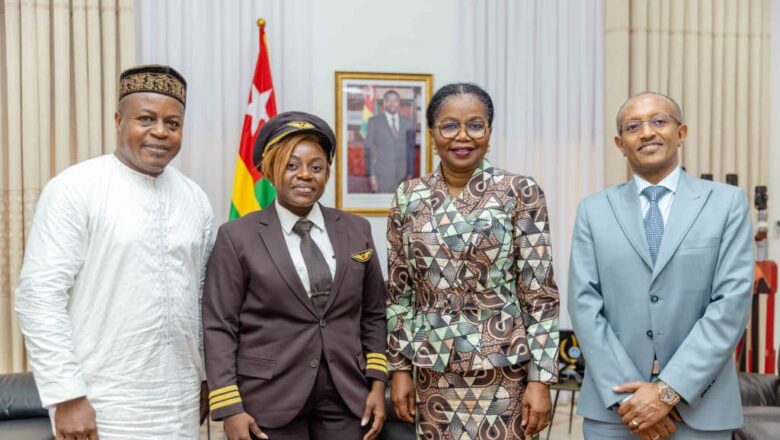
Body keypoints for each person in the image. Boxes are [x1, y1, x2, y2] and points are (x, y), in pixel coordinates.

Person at [14, 65, 214, 439]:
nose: (160, 131)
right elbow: (39, 297)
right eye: (146, 119)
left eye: (172, 123)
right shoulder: (75, 188)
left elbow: (202, 298)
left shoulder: (195, 199)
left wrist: (205, 378)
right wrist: (67, 395)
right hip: (101, 403)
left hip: (180, 404)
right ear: (119, 120)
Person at [568, 92, 754, 440]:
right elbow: (584, 305)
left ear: (681, 133)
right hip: (616, 410)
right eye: (633, 126)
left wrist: (668, 391)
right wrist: (632, 399)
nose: (647, 132)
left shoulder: (727, 203)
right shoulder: (593, 210)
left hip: (702, 410)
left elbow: (731, 304)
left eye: (659, 121)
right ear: (620, 144)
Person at [386, 83, 560, 439]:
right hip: (433, 367)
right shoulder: (409, 196)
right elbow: (399, 292)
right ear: (432, 133)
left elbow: (539, 293)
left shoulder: (520, 191)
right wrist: (399, 368)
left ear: (489, 132)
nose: (462, 136)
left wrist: (541, 378)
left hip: (503, 367)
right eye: (449, 125)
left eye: (475, 125)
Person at [203, 111, 388, 440]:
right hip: (268, 398)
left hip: (346, 396)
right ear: (271, 171)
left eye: (316, 167)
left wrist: (377, 381)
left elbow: (374, 312)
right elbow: (220, 325)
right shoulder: (237, 236)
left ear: (327, 173)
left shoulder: (356, 230)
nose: (305, 175)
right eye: (291, 165)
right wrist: (230, 407)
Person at [364, 89, 416, 193]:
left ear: (399, 103)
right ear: (384, 103)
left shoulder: (408, 124)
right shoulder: (374, 122)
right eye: (389, 100)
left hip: (403, 177)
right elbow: (369, 151)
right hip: (382, 177)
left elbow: (410, 151)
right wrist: (372, 176)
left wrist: (410, 174)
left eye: (395, 100)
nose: (392, 103)